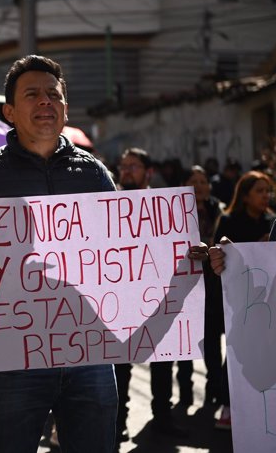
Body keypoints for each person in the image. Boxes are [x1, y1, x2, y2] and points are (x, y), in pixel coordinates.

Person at [0, 55, 119, 453]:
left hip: (88, 353)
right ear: (9, 111)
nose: (45, 102)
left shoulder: (94, 174)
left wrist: (180, 258)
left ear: (65, 108)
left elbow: (126, 256)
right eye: (32, 94)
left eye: (53, 95)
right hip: (15, 355)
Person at [113, 147, 188, 441]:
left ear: (149, 172)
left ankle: (162, 418)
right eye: (123, 166)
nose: (127, 171)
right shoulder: (108, 204)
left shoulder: (166, 207)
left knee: (162, 360)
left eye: (133, 166)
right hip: (120, 298)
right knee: (120, 364)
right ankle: (118, 421)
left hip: (158, 297)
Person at [210, 169, 275, 430]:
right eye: (259, 191)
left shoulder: (273, 221)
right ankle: (228, 405)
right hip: (237, 299)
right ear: (245, 195)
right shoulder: (229, 221)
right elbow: (220, 257)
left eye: (267, 190)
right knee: (236, 353)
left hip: (268, 299)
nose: (265, 196)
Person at [181, 166, 224, 407]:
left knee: (211, 338)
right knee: (186, 341)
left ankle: (214, 388)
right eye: (193, 181)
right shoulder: (174, 214)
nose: (199, 186)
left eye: (203, 181)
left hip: (212, 284)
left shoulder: (219, 211)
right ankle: (185, 394)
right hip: (184, 286)